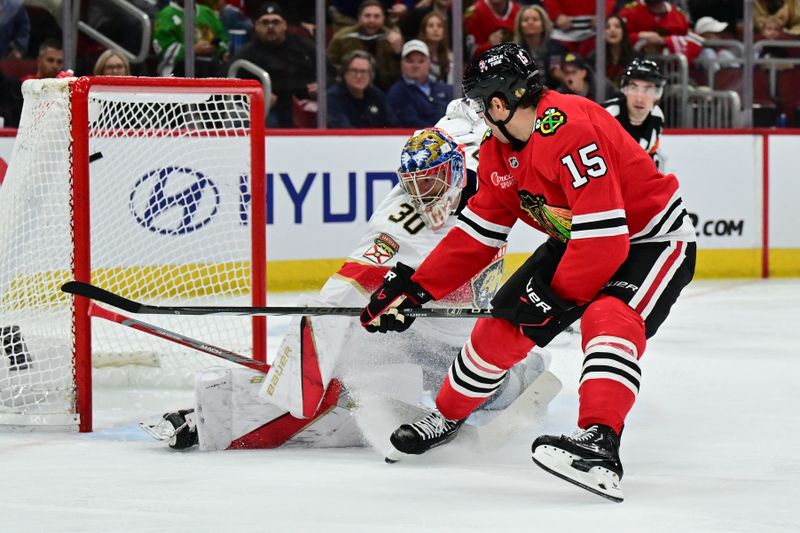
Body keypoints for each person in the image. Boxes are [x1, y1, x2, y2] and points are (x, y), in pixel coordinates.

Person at [359, 43, 696, 502]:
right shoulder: (499, 154)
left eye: (479, 105)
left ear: (499, 103)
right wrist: (417, 288)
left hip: (649, 240)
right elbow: (478, 234)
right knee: (499, 331)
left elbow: (607, 240)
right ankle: (447, 416)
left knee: (609, 319)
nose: (475, 115)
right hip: (578, 239)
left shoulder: (570, 128)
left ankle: (600, 444)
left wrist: (554, 300)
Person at [145, 99, 552, 451]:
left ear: (456, 170)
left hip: (459, 336)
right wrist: (303, 366)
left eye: (431, 183)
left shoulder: (478, 156)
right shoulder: (403, 221)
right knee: (348, 374)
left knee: (491, 392)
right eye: (413, 185)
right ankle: (213, 418)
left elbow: (462, 114)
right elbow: (348, 284)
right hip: (409, 332)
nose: (423, 196)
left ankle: (521, 371)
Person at [232, 2, 327, 128]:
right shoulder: (246, 54)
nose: (271, 27)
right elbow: (227, 82)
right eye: (265, 23)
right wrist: (253, 97)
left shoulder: (305, 46)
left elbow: (330, 72)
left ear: (285, 25)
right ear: (256, 26)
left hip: (306, 102)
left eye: (276, 22)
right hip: (269, 108)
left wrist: (321, 86)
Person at [326, 0, 404, 92]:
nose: (372, 20)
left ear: (383, 18)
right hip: (349, 87)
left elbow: (400, 71)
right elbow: (330, 65)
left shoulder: (393, 38)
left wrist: (398, 53)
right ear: (359, 18)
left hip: (384, 88)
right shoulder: (342, 37)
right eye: (367, 16)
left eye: (376, 16)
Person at [602, 58, 665, 169]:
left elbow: (650, 155)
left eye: (647, 89)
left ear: (657, 94)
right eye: (633, 87)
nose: (639, 98)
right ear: (625, 89)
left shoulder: (657, 117)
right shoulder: (607, 115)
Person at [152, 0, 229, 77]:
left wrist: (223, 52)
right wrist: (193, 50)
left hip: (211, 65)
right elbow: (165, 50)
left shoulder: (206, 11)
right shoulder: (166, 15)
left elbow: (221, 37)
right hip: (177, 70)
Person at [387, 39, 451, 127]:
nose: (415, 66)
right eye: (410, 61)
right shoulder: (397, 92)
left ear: (429, 63)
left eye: (421, 61)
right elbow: (411, 121)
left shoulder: (446, 89)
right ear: (402, 64)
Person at [327, 50, 394, 128]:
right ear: (345, 73)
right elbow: (344, 132)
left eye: (363, 71)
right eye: (354, 71)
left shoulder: (377, 95)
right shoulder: (332, 98)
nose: (359, 76)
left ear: (371, 75)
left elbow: (392, 125)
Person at [513, 4, 566, 88]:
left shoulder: (555, 48)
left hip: (552, 91)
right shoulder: (513, 51)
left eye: (535, 19)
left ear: (543, 25)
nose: (530, 22)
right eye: (525, 20)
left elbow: (555, 70)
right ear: (520, 26)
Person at [542, 0, 614, 58]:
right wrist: (556, 15)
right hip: (560, 38)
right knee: (554, 67)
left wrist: (603, 13)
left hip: (592, 37)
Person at [587, 15, 641, 89]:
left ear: (623, 31)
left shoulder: (636, 58)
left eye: (617, 26)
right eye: (607, 27)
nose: (612, 30)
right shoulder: (594, 58)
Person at [418, 11, 452, 83]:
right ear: (424, 31)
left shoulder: (450, 57)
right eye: (430, 26)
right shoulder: (418, 55)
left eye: (439, 26)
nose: (435, 29)